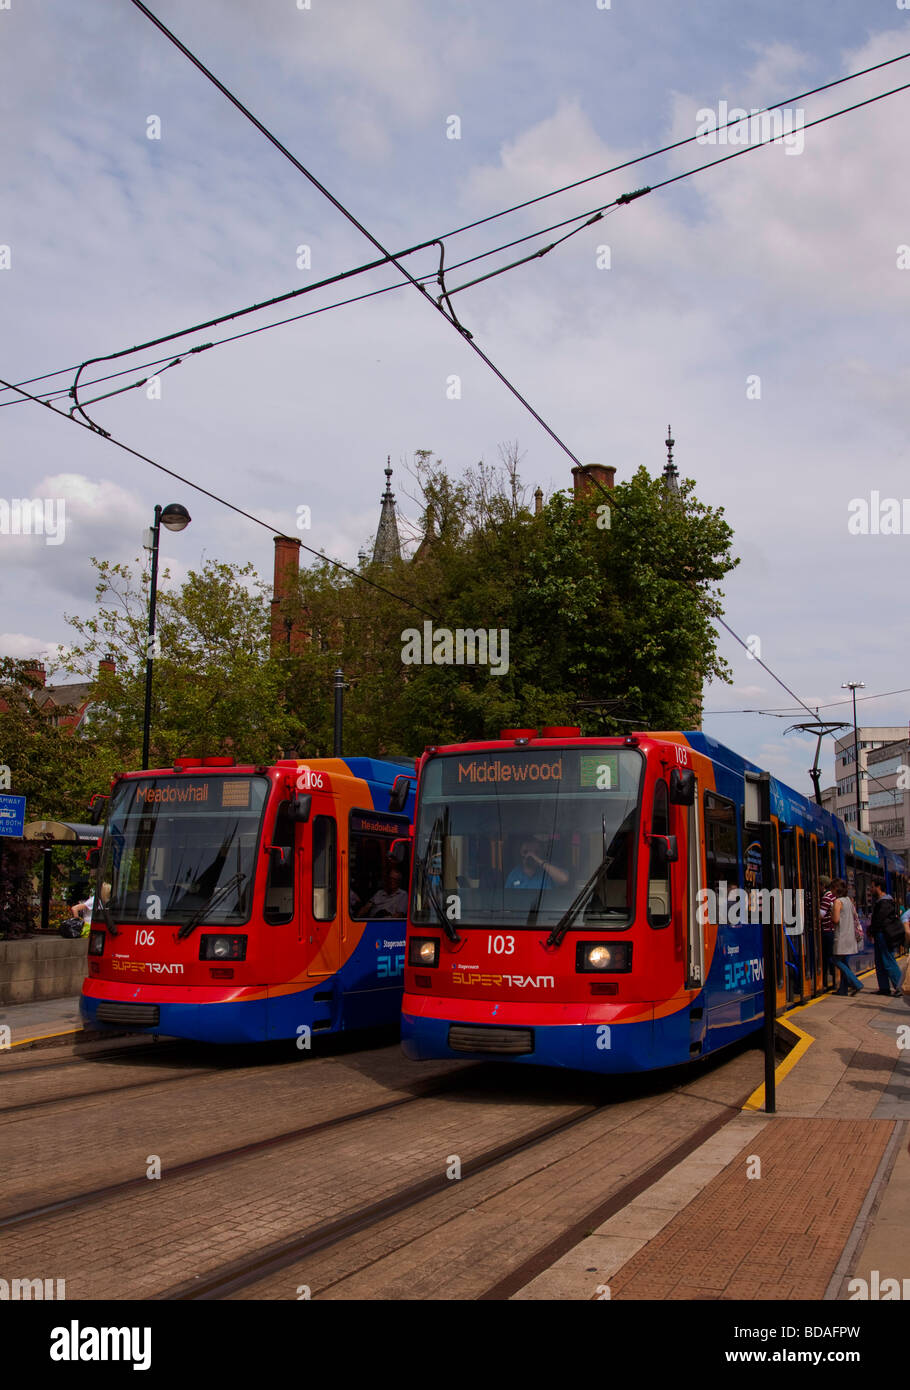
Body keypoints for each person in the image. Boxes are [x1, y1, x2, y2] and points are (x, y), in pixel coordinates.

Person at [868, 882, 904, 997]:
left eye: (872, 887)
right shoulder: (883, 902)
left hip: (883, 934)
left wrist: (872, 930)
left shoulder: (884, 902)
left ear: (878, 887)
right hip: (880, 934)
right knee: (879, 961)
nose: (871, 889)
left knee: (888, 960)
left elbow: (880, 920)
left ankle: (900, 987)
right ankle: (884, 987)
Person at [830, 879, 864, 996]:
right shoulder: (848, 900)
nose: (831, 891)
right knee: (844, 961)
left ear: (836, 889)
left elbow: (835, 919)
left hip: (841, 936)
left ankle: (856, 983)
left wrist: (831, 912)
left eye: (832, 888)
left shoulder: (838, 902)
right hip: (850, 936)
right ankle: (843, 990)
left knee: (835, 960)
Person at [504, 839, 569, 895]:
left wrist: (539, 861)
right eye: (525, 852)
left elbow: (564, 879)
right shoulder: (514, 873)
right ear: (520, 853)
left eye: (536, 852)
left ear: (541, 853)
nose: (530, 855)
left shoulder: (550, 869)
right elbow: (507, 896)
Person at [819, 875, 838, 990]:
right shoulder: (832, 896)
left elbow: (821, 914)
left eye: (819, 885)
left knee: (828, 957)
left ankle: (831, 981)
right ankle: (831, 981)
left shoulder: (827, 897)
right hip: (831, 930)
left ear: (823, 885)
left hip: (827, 931)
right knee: (829, 956)